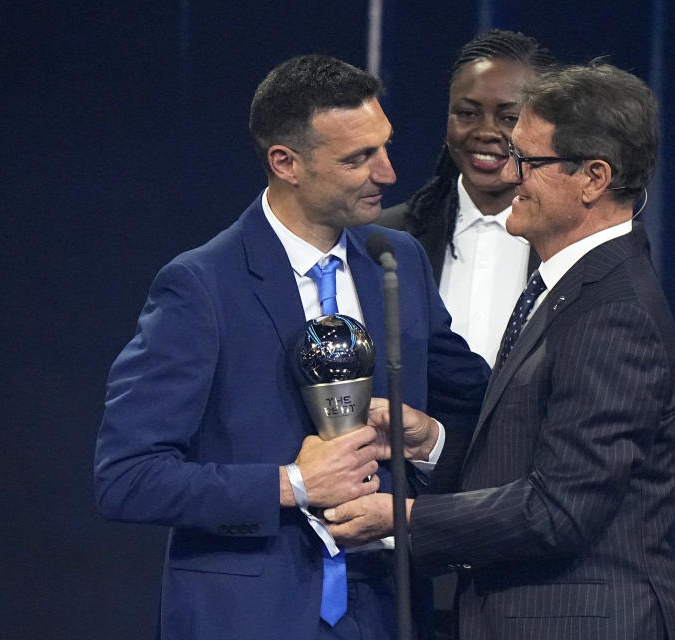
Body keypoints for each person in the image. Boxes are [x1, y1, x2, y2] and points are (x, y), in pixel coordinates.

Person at [93, 55, 489, 640]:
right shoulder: (202, 286)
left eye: (384, 146)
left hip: (387, 610)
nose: (387, 173)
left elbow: (481, 401)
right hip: (249, 616)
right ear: (286, 163)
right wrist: (291, 484)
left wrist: (429, 443)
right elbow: (127, 477)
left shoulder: (396, 262)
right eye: (357, 158)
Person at [328, 61, 675, 639]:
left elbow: (560, 511)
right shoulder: (570, 289)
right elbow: (530, 462)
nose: (508, 172)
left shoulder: (612, 312)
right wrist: (434, 444)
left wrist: (406, 519)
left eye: (527, 158)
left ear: (593, 178)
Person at [379, 30, 675, 504]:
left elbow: (582, 423)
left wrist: (630, 459)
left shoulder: (590, 258)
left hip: (516, 519)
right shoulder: (386, 244)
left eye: (509, 118)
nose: (489, 134)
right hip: (418, 503)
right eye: (467, 113)